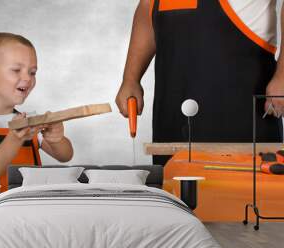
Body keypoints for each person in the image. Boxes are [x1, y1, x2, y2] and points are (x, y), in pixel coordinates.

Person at [116, 0, 284, 165]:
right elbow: (148, 6)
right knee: (175, 188)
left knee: (242, 189)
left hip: (243, 113)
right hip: (173, 117)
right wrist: (131, 78)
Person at [0, 33, 74, 221]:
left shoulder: (29, 119)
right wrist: (16, 137)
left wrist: (57, 138)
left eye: (32, 72)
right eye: (16, 70)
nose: (27, 78)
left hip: (26, 202)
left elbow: (65, 155)